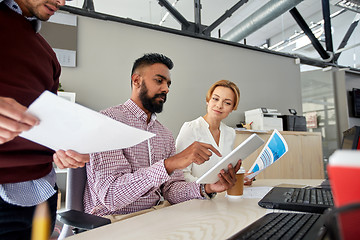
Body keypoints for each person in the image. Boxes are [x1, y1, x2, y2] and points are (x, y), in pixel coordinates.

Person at [58, 53, 242, 218]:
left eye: (168, 84)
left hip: (153, 215)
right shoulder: (108, 122)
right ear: (136, 80)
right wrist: (168, 164)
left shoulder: (164, 134)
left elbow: (171, 190)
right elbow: (112, 196)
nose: (166, 89)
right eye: (159, 81)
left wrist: (207, 188)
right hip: (113, 220)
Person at [0, 0, 88, 239]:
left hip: (41, 195)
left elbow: (49, 124)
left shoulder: (47, 53)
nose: (62, 2)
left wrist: (63, 149)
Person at [175, 80, 253, 185]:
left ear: (232, 108)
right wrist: (209, 188)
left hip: (222, 195)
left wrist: (241, 176)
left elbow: (225, 166)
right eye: (215, 99)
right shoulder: (191, 128)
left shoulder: (230, 133)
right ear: (208, 100)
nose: (219, 105)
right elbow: (181, 174)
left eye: (227, 103)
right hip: (197, 196)